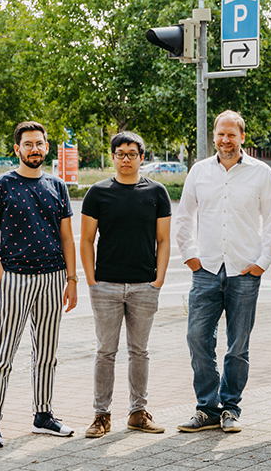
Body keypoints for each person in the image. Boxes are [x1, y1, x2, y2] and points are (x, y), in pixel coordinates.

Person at [174, 110, 271, 433]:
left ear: (242, 137)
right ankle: (207, 407)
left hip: (244, 272)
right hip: (205, 269)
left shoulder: (261, 174)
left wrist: (262, 262)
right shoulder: (199, 171)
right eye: (220, 134)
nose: (225, 140)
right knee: (197, 337)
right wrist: (191, 256)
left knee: (238, 345)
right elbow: (183, 218)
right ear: (215, 136)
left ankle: (231, 407)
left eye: (231, 134)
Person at [0, 121, 78, 448]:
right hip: (15, 279)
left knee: (47, 353)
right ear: (17, 149)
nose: (34, 149)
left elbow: (66, 237)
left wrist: (71, 279)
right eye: (28, 144)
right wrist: (3, 279)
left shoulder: (57, 186)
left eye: (39, 143)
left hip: (52, 278)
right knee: (3, 352)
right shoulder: (1, 186)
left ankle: (43, 415)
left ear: (46, 147)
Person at [80, 131, 171, 438]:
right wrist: (91, 281)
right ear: (113, 157)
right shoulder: (98, 192)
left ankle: (138, 412)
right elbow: (86, 240)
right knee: (105, 352)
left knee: (140, 352)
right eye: (121, 154)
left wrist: (158, 280)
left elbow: (163, 239)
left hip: (144, 285)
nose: (126, 159)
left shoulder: (157, 192)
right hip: (105, 285)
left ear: (141, 158)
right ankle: (101, 415)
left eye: (132, 154)